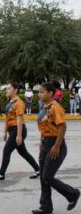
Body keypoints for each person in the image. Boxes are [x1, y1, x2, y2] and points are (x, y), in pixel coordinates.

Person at [31, 82, 80, 214]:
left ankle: (73, 194)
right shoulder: (44, 107)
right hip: (45, 144)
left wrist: (57, 146)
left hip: (56, 144)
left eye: (42, 92)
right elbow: (45, 126)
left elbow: (62, 126)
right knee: (43, 177)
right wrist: (42, 142)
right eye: (39, 92)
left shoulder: (55, 107)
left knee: (47, 177)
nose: (39, 94)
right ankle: (46, 206)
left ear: (50, 93)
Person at [0, 82, 40, 181]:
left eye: (9, 88)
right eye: (6, 88)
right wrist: (5, 132)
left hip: (18, 130)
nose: (6, 90)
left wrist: (18, 135)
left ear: (15, 90)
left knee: (6, 151)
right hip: (12, 130)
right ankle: (38, 170)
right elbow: (7, 119)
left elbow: (19, 120)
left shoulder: (19, 103)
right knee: (23, 153)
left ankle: (1, 174)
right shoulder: (10, 102)